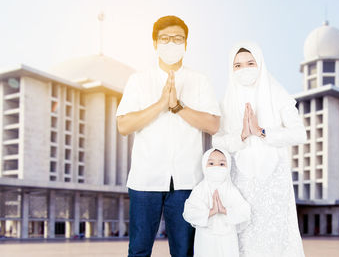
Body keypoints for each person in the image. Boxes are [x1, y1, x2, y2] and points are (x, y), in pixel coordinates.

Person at [116, 15, 221, 257]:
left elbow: (213, 124)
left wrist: (178, 107)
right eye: (165, 39)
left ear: (186, 44)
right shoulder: (138, 80)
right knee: (139, 249)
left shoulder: (200, 81)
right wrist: (162, 103)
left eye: (178, 39)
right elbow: (124, 125)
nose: (171, 44)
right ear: (155, 44)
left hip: (187, 181)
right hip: (145, 180)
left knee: (184, 252)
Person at [213, 41, 307, 257]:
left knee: (275, 237)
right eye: (237, 65)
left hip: (274, 181)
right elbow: (216, 141)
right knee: (243, 237)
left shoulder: (278, 94)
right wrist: (242, 136)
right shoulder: (226, 100)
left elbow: (299, 133)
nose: (244, 69)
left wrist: (261, 131)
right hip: (241, 181)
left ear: (260, 64)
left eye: (250, 63)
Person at [182, 147, 251, 257]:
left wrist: (224, 211)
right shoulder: (200, 189)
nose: (216, 168)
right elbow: (188, 212)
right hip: (205, 238)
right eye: (211, 163)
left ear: (228, 167)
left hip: (227, 238)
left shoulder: (231, 190)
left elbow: (245, 212)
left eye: (222, 164)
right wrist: (210, 212)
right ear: (204, 165)